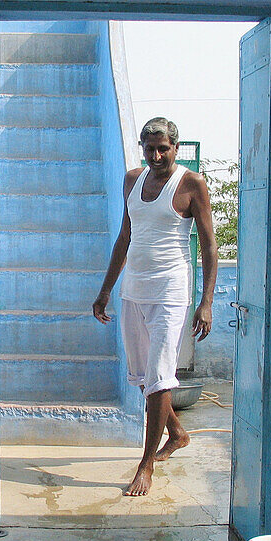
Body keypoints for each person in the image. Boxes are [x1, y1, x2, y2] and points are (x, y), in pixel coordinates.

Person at [92, 117, 218, 496]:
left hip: (171, 290)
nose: (157, 155)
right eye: (150, 149)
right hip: (134, 289)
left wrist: (206, 302)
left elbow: (210, 247)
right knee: (146, 376)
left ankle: (145, 465)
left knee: (161, 374)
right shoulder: (132, 179)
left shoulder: (191, 184)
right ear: (143, 149)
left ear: (176, 148)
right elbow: (125, 237)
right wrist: (105, 290)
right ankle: (177, 433)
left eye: (164, 148)